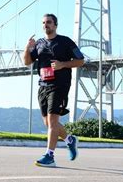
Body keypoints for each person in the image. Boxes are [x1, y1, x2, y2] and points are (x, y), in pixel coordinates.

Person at [24, 13, 85, 167]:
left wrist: (62, 65)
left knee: (52, 121)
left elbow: (81, 60)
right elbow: (27, 62)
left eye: (49, 22)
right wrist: (27, 47)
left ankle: (50, 156)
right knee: (49, 123)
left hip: (60, 85)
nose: (46, 25)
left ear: (55, 25)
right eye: (44, 23)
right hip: (43, 85)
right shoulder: (39, 43)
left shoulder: (65, 42)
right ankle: (70, 140)